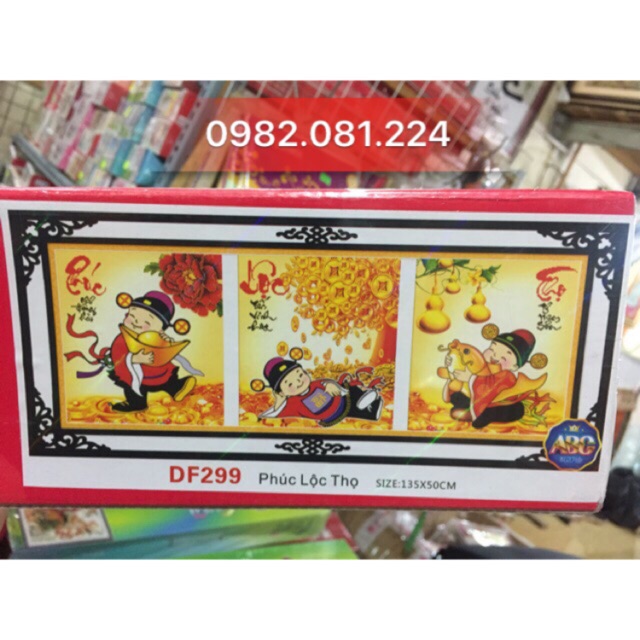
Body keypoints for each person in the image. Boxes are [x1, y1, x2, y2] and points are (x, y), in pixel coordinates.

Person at [109, 291, 196, 412]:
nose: (136, 322)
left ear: (160, 328)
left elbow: (166, 351)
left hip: (159, 373)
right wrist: (134, 359)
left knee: (169, 381)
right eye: (132, 316)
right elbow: (117, 355)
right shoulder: (123, 338)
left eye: (147, 322)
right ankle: (137, 404)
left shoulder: (158, 337)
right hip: (135, 376)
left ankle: (178, 388)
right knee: (132, 386)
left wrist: (167, 343)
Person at [444, 329, 537, 429]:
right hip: (476, 399)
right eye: (492, 349)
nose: (495, 356)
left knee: (515, 410)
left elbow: (488, 386)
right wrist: (452, 365)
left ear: (514, 367)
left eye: (504, 357)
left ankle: (479, 416)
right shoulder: (481, 366)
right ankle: (472, 412)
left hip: (496, 406)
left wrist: (470, 378)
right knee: (458, 396)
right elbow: (463, 376)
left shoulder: (507, 376)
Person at [258, 356, 383, 427]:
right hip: (329, 418)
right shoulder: (293, 402)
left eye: (300, 375)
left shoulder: (315, 384)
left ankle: (373, 406)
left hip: (342, 402)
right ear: (281, 392)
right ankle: (366, 401)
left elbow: (326, 383)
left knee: (350, 390)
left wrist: (330, 385)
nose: (299, 381)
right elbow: (277, 413)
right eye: (290, 384)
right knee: (353, 408)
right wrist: (279, 400)